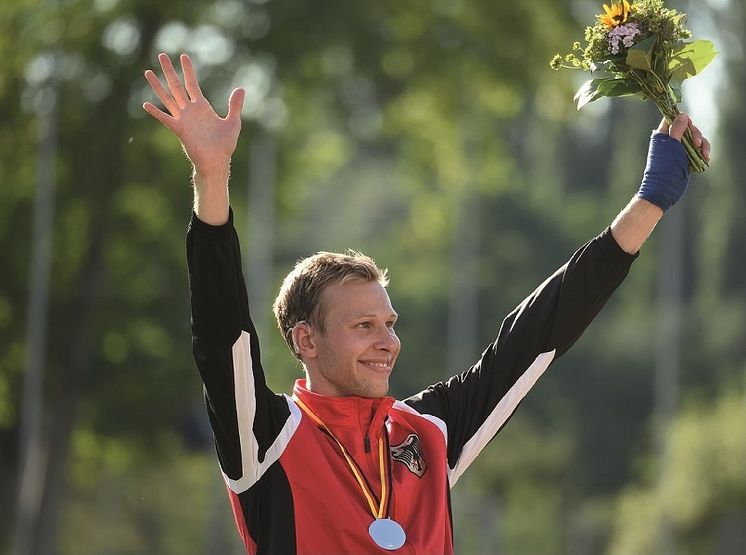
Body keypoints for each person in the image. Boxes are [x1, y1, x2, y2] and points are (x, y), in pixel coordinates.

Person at [143, 52, 710, 555]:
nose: (386, 340)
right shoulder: (266, 439)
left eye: (388, 323)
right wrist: (211, 178)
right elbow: (224, 338)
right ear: (305, 341)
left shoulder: (429, 434)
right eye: (362, 325)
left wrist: (650, 200)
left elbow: (536, 335)